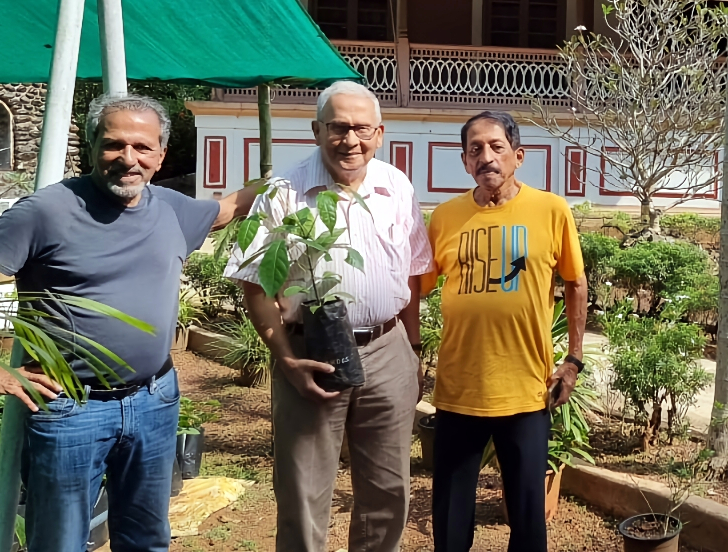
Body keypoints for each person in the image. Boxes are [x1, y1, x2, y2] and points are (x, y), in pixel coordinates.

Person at [0, 94, 258, 552]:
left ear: (161, 155)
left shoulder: (173, 209)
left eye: (142, 147)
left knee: (146, 538)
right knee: (59, 543)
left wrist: (297, 178)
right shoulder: (47, 212)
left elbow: (227, 209)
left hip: (154, 399)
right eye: (114, 145)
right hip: (70, 408)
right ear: (92, 146)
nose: (128, 158)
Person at [224, 81, 433, 552]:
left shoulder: (395, 185)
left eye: (362, 129)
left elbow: (416, 273)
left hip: (388, 349)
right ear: (317, 130)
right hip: (309, 354)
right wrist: (284, 358)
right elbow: (254, 282)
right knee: (304, 491)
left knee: (388, 489)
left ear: (379, 133)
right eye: (338, 127)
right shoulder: (284, 192)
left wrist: (412, 351)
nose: (350, 140)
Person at [423, 111, 588, 552]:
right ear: (464, 161)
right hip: (460, 389)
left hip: (527, 390)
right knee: (451, 522)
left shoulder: (550, 210)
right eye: (475, 149)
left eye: (496, 147)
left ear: (518, 156)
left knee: (528, 520)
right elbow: (411, 288)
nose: (486, 157)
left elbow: (575, 282)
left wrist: (572, 359)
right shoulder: (444, 217)